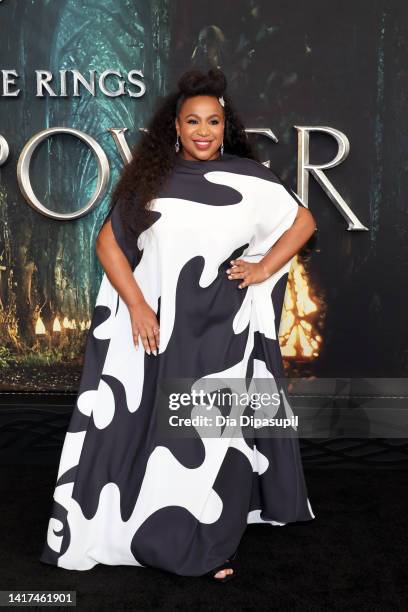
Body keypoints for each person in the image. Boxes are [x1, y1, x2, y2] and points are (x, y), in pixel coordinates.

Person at [40, 68, 317, 582]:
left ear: (224, 126)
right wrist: (139, 305)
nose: (204, 130)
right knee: (153, 435)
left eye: (213, 121)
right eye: (193, 121)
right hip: (163, 333)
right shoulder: (151, 179)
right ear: (176, 126)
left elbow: (302, 221)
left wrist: (262, 267)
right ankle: (142, 528)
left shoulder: (250, 179)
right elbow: (108, 243)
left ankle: (207, 542)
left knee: (215, 440)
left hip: (225, 331)